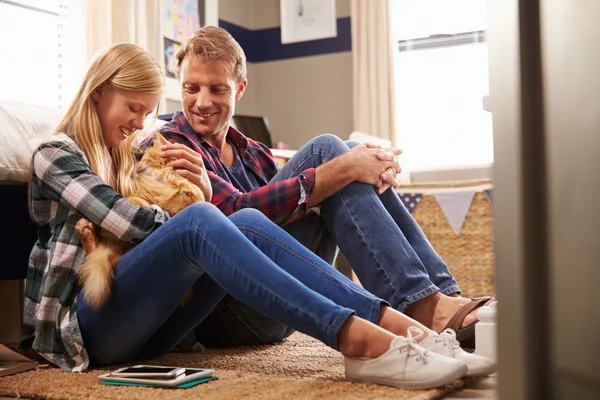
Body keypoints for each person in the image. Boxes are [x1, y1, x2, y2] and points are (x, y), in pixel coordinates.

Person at [22, 43, 496, 388]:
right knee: (215, 219)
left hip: (156, 329)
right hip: (82, 333)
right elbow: (132, 224)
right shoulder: (56, 153)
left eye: (147, 114)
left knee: (249, 217)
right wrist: (201, 213)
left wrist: (214, 219)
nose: (139, 126)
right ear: (99, 93)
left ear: (240, 90)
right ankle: (363, 338)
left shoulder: (121, 156)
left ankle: (409, 316)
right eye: (134, 109)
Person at [145, 26, 494, 349]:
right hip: (228, 311)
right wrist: (345, 167)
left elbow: (281, 221)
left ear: (239, 88)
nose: (202, 102)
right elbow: (233, 219)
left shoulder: (255, 154)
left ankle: (443, 297)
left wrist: (368, 167)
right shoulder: (171, 143)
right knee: (327, 151)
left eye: (216, 88)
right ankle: (424, 306)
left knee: (340, 154)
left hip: (289, 301)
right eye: (191, 88)